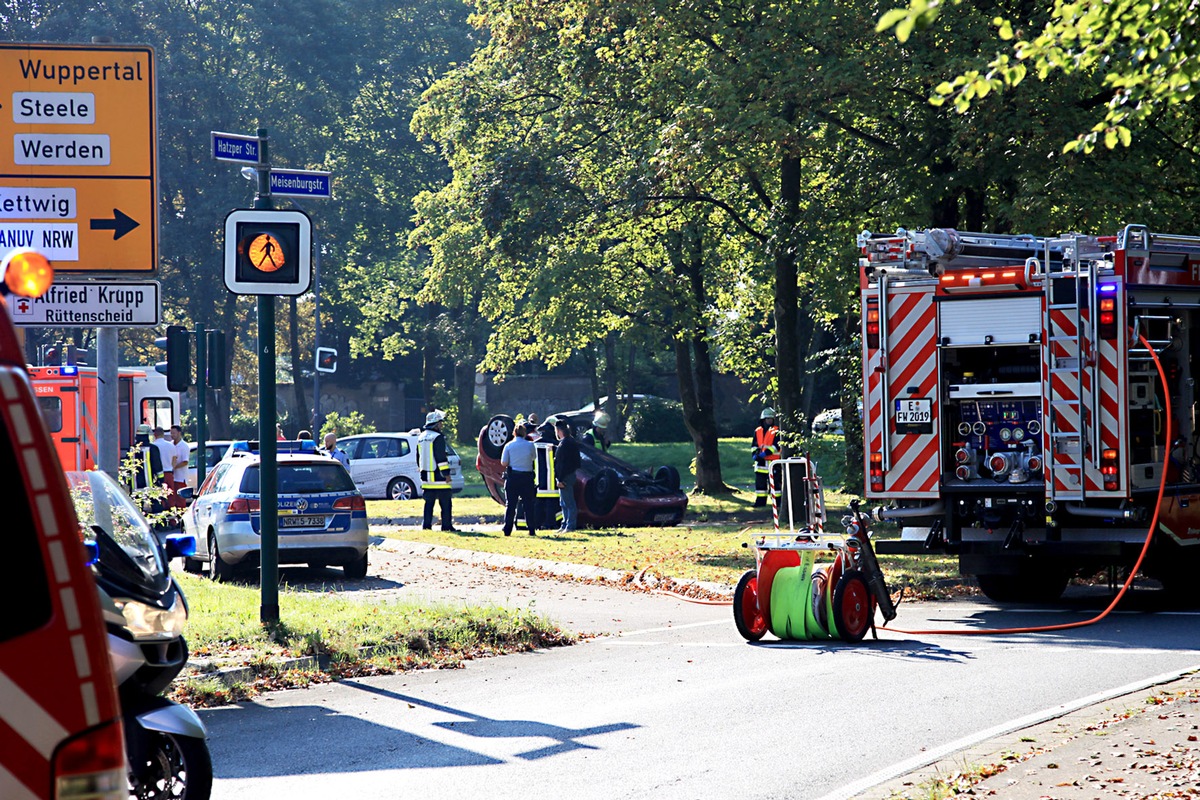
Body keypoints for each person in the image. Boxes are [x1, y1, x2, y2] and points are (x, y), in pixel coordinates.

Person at [416, 410, 456, 531]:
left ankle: (426, 526)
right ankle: (446, 526)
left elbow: (418, 457)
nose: (441, 425)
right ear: (436, 424)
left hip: (426, 478)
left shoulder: (421, 437)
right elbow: (441, 458)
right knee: (446, 504)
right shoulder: (437, 438)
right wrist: (446, 474)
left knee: (428, 504)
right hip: (439, 477)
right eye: (440, 423)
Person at [501, 423, 538, 536]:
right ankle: (531, 529)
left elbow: (504, 462)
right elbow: (534, 457)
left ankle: (507, 529)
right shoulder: (530, 445)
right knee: (528, 504)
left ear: (514, 433)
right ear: (524, 433)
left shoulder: (508, 446)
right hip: (527, 478)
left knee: (511, 505)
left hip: (513, 478)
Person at [553, 418, 581, 532]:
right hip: (568, 475)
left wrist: (560, 478)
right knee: (563, 502)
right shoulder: (570, 442)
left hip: (565, 476)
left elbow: (563, 463)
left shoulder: (565, 443)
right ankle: (565, 524)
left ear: (559, 430)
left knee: (568, 502)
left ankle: (570, 525)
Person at [752, 407, 781, 507]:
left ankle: (778, 503)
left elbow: (776, 446)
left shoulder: (777, 431)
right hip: (760, 463)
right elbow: (754, 445)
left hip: (774, 462)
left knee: (776, 484)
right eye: (767, 419)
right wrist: (755, 454)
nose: (769, 420)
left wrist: (765, 453)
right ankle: (760, 502)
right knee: (760, 485)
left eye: (770, 419)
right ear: (763, 419)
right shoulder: (758, 431)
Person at [129, 424, 163, 494]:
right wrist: (161, 480)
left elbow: (128, 469)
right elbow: (158, 467)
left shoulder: (131, 449)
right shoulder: (153, 449)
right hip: (150, 488)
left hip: (135, 488)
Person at [168, 424, 190, 510]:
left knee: (180, 500)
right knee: (172, 499)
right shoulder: (170, 445)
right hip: (171, 477)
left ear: (179, 433)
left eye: (174, 433)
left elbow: (185, 462)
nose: (172, 435)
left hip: (180, 477)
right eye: (171, 433)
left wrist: (174, 467)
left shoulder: (184, 446)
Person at [151, 426, 174, 490]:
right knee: (170, 495)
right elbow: (174, 459)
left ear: (155, 435)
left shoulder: (153, 446)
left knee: (160, 496)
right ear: (163, 434)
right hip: (169, 473)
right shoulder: (171, 445)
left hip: (157, 474)